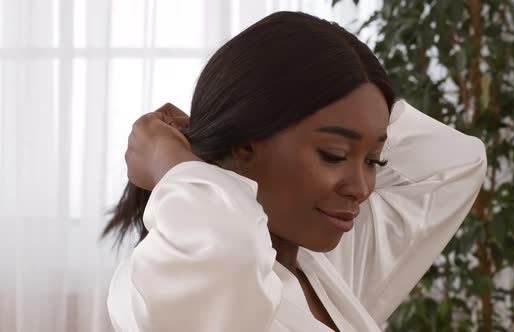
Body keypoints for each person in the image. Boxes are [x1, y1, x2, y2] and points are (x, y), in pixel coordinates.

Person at [104, 11, 487, 332]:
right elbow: (228, 249)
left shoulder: (323, 268)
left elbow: (457, 161)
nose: (362, 189)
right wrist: (167, 158)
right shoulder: (157, 284)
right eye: (334, 154)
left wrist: (191, 156)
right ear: (246, 142)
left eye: (375, 161)